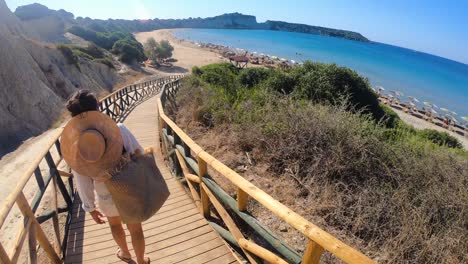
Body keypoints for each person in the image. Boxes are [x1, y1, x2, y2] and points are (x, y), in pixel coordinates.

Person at [64, 90, 150, 264]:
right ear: (99, 107)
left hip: (103, 190)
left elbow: (82, 179)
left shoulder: (76, 146)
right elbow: (139, 152)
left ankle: (125, 253)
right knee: (135, 227)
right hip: (128, 184)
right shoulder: (119, 129)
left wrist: (90, 207)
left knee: (115, 225)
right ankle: (141, 260)